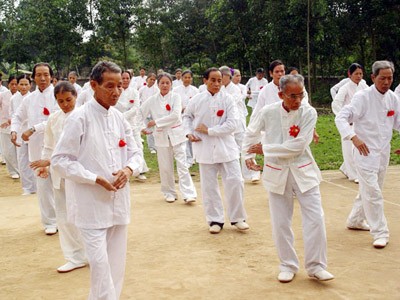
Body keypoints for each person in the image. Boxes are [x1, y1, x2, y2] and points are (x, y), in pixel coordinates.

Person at [52, 61, 144, 299]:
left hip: (118, 201)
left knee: (115, 265)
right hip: (90, 204)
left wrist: (129, 169)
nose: (116, 92)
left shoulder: (119, 119)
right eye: (109, 86)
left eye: (119, 86)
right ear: (93, 85)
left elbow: (136, 152)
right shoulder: (79, 118)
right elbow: (60, 160)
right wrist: (94, 178)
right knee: (100, 265)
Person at [243, 74, 334, 283]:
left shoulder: (308, 112)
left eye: (301, 95)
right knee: (281, 222)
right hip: (277, 173)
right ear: (281, 94)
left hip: (304, 171)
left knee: (316, 218)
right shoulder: (268, 112)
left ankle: (317, 265)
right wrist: (248, 155)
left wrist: (265, 149)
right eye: (292, 96)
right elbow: (251, 133)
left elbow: (299, 146)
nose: (297, 100)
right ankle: (287, 265)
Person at [335, 60, 400, 249]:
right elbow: (341, 117)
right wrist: (353, 137)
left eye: (390, 78)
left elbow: (398, 123)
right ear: (373, 78)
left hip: (383, 153)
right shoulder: (362, 97)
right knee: (373, 193)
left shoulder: (393, 99)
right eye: (382, 78)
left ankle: (355, 220)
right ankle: (380, 232)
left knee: (371, 189)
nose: (386, 82)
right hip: (364, 153)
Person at [183, 67, 249, 234]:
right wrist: (189, 132)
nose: (216, 83)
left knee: (235, 181)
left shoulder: (228, 99)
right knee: (209, 186)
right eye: (213, 80)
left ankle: (238, 218)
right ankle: (215, 219)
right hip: (204, 148)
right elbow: (187, 117)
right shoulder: (197, 100)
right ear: (205, 81)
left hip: (226, 147)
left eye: (219, 80)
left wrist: (210, 131)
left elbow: (233, 123)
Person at [30, 81, 87, 273]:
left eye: (68, 100)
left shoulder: (84, 116)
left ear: (75, 97)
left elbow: (84, 148)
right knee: (63, 216)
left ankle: (93, 254)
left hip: (79, 172)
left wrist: (51, 161)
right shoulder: (53, 119)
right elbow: (48, 144)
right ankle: (74, 256)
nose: (65, 104)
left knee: (83, 215)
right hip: (58, 173)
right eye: (60, 101)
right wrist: (46, 163)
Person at [11, 63, 57, 235]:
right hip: (37, 149)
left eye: (46, 74)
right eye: (39, 75)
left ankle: (66, 220)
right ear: (33, 78)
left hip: (57, 149)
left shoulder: (58, 94)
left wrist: (33, 128)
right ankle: (50, 222)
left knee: (62, 186)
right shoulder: (28, 99)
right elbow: (17, 116)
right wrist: (15, 130)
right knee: (43, 187)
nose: (43, 78)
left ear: (51, 76)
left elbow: (56, 120)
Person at [140, 73, 197, 203]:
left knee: (182, 165)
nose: (165, 85)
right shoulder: (152, 100)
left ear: (171, 84)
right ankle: (169, 192)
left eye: (167, 83)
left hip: (177, 135)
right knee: (165, 166)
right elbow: (140, 112)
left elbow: (176, 116)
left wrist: (156, 122)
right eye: (162, 83)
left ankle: (188, 193)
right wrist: (141, 127)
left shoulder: (176, 97)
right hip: (161, 136)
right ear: (158, 84)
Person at [220, 66, 260, 183]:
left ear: (228, 76)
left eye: (222, 76)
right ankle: (237, 175)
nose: (220, 79)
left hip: (238, 124)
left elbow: (228, 103)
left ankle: (254, 172)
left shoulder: (235, 89)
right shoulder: (220, 89)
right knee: (232, 151)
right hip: (226, 125)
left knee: (245, 148)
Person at [332, 63, 369, 185]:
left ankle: (345, 168)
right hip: (348, 122)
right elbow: (336, 103)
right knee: (348, 149)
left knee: (359, 148)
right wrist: (342, 118)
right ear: (349, 74)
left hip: (360, 122)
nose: (359, 76)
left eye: (360, 73)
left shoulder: (363, 84)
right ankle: (353, 175)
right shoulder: (345, 87)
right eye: (356, 74)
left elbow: (370, 97)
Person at [118, 70, 148, 181]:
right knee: (121, 147)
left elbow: (136, 108)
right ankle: (123, 170)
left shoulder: (134, 92)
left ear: (130, 79)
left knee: (138, 146)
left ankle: (140, 170)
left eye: (127, 78)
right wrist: (119, 117)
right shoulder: (116, 91)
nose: (125, 80)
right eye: (123, 78)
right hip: (118, 124)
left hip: (132, 124)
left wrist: (123, 116)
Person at [9, 75, 37, 195]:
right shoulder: (14, 99)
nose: (24, 87)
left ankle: (36, 186)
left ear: (30, 85)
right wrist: (14, 130)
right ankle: (26, 187)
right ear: (17, 85)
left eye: (26, 84)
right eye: (21, 84)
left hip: (33, 132)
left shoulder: (34, 97)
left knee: (34, 159)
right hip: (20, 132)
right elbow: (14, 115)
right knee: (22, 161)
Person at [173, 70, 199, 167]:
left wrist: (189, 110)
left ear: (191, 79)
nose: (187, 79)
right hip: (179, 116)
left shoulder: (195, 90)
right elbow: (173, 103)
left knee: (192, 136)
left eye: (189, 77)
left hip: (191, 117)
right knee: (183, 137)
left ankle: (194, 157)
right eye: (185, 77)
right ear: (182, 78)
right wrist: (181, 108)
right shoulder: (176, 90)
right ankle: (187, 158)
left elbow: (197, 104)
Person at [0, 75, 20, 179]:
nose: (14, 86)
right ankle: (13, 171)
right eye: (12, 84)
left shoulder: (21, 96)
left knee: (18, 150)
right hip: (4, 126)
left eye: (16, 84)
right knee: (7, 151)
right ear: (8, 84)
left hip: (17, 127)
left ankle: (20, 170)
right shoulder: (2, 95)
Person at [138, 73, 159, 154]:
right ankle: (151, 147)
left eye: (154, 80)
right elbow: (138, 99)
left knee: (156, 130)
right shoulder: (142, 89)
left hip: (154, 112)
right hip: (144, 112)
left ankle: (157, 146)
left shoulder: (156, 90)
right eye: (151, 79)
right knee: (148, 130)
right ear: (147, 80)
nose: (152, 81)